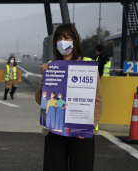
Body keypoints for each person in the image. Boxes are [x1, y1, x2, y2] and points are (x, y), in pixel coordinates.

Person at [35, 23, 103, 171]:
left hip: (80, 131)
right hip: (54, 129)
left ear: (75, 40)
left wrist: (88, 127)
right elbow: (40, 100)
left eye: (67, 37)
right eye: (59, 38)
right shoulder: (51, 66)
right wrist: (44, 80)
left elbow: (97, 100)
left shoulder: (88, 64)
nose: (62, 41)